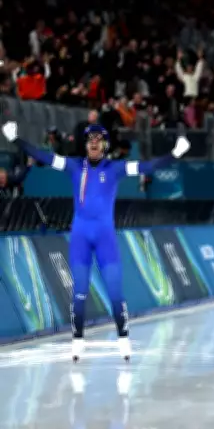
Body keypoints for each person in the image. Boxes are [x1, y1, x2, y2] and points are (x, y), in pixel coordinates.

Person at [1, 120, 190, 362]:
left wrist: (175, 154)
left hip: (105, 238)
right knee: (79, 292)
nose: (93, 144)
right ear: (85, 145)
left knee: (114, 293)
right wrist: (16, 140)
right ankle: (77, 340)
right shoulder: (73, 166)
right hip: (80, 237)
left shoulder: (115, 169)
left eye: (97, 141)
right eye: (90, 141)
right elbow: (44, 157)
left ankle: (123, 338)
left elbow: (148, 166)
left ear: (104, 146)